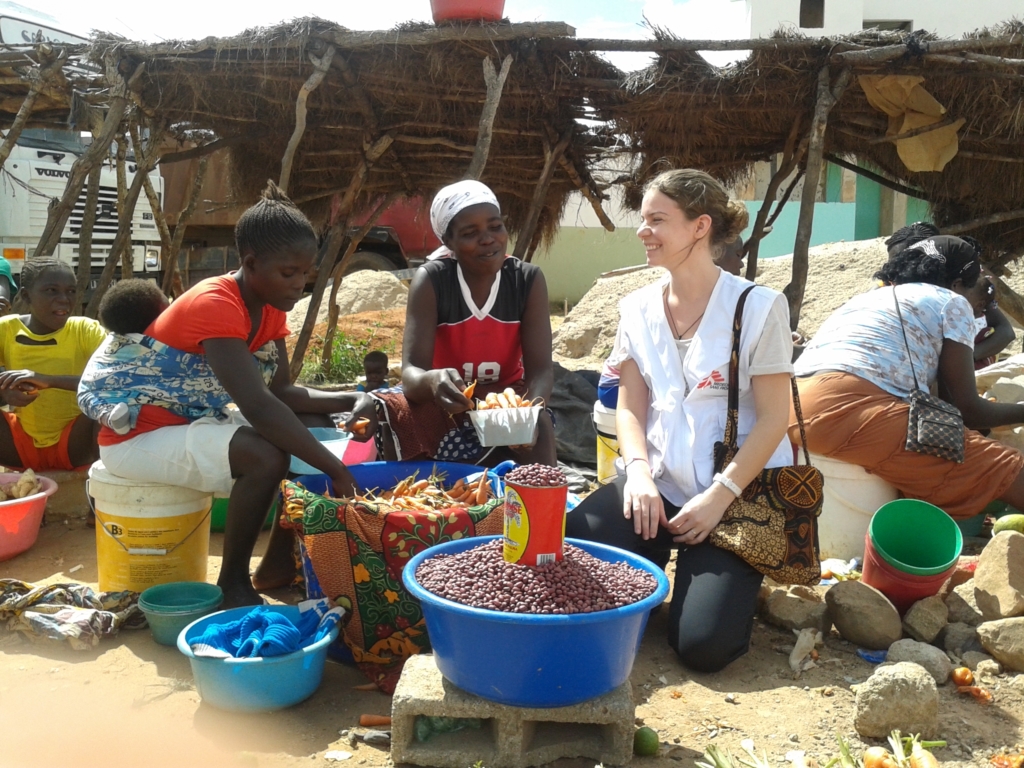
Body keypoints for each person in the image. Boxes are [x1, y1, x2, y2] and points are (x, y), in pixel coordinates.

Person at [86, 182, 377, 608]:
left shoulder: (269, 305)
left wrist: (353, 400)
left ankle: (277, 563)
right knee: (265, 455)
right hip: (135, 437)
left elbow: (282, 392)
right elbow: (258, 406)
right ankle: (233, 583)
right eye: (289, 273)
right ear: (251, 263)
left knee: (312, 425)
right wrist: (338, 470)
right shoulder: (216, 303)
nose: (299, 284)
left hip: (189, 424)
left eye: (305, 273)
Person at [565, 169, 795, 672]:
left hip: (735, 492)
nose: (643, 231)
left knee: (702, 647)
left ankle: (710, 586)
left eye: (657, 220)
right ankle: (652, 567)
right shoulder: (637, 309)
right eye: (643, 219)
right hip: (659, 483)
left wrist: (720, 497)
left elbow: (775, 419)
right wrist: (638, 474)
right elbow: (630, 407)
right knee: (572, 547)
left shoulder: (759, 307)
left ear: (699, 226)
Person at [791, 235, 1024, 519]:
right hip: (848, 410)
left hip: (792, 406)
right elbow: (969, 411)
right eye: (975, 286)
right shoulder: (952, 302)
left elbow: (952, 412)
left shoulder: (867, 299)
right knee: (1003, 466)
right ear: (956, 284)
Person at [376, 179, 556, 466]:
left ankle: (530, 494)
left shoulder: (526, 280)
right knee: (396, 415)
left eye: (495, 227)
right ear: (448, 242)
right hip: (445, 399)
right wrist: (432, 381)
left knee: (541, 426)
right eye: (470, 233)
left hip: (505, 400)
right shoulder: (432, 280)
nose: (488, 239)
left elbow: (541, 370)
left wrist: (529, 414)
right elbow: (411, 373)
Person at [0, 258, 105, 472]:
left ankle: (103, 482)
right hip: (18, 446)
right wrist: (4, 391)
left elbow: (115, 380)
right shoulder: (6, 329)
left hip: (76, 443)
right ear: (26, 296)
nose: (64, 299)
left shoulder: (85, 330)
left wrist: (48, 381)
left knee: (108, 403)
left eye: (71, 291)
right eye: (51, 291)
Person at [78, 279, 171, 435]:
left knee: (89, 398)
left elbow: (86, 387)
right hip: (157, 415)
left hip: (110, 401)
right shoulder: (160, 347)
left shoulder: (110, 343)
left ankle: (110, 417)